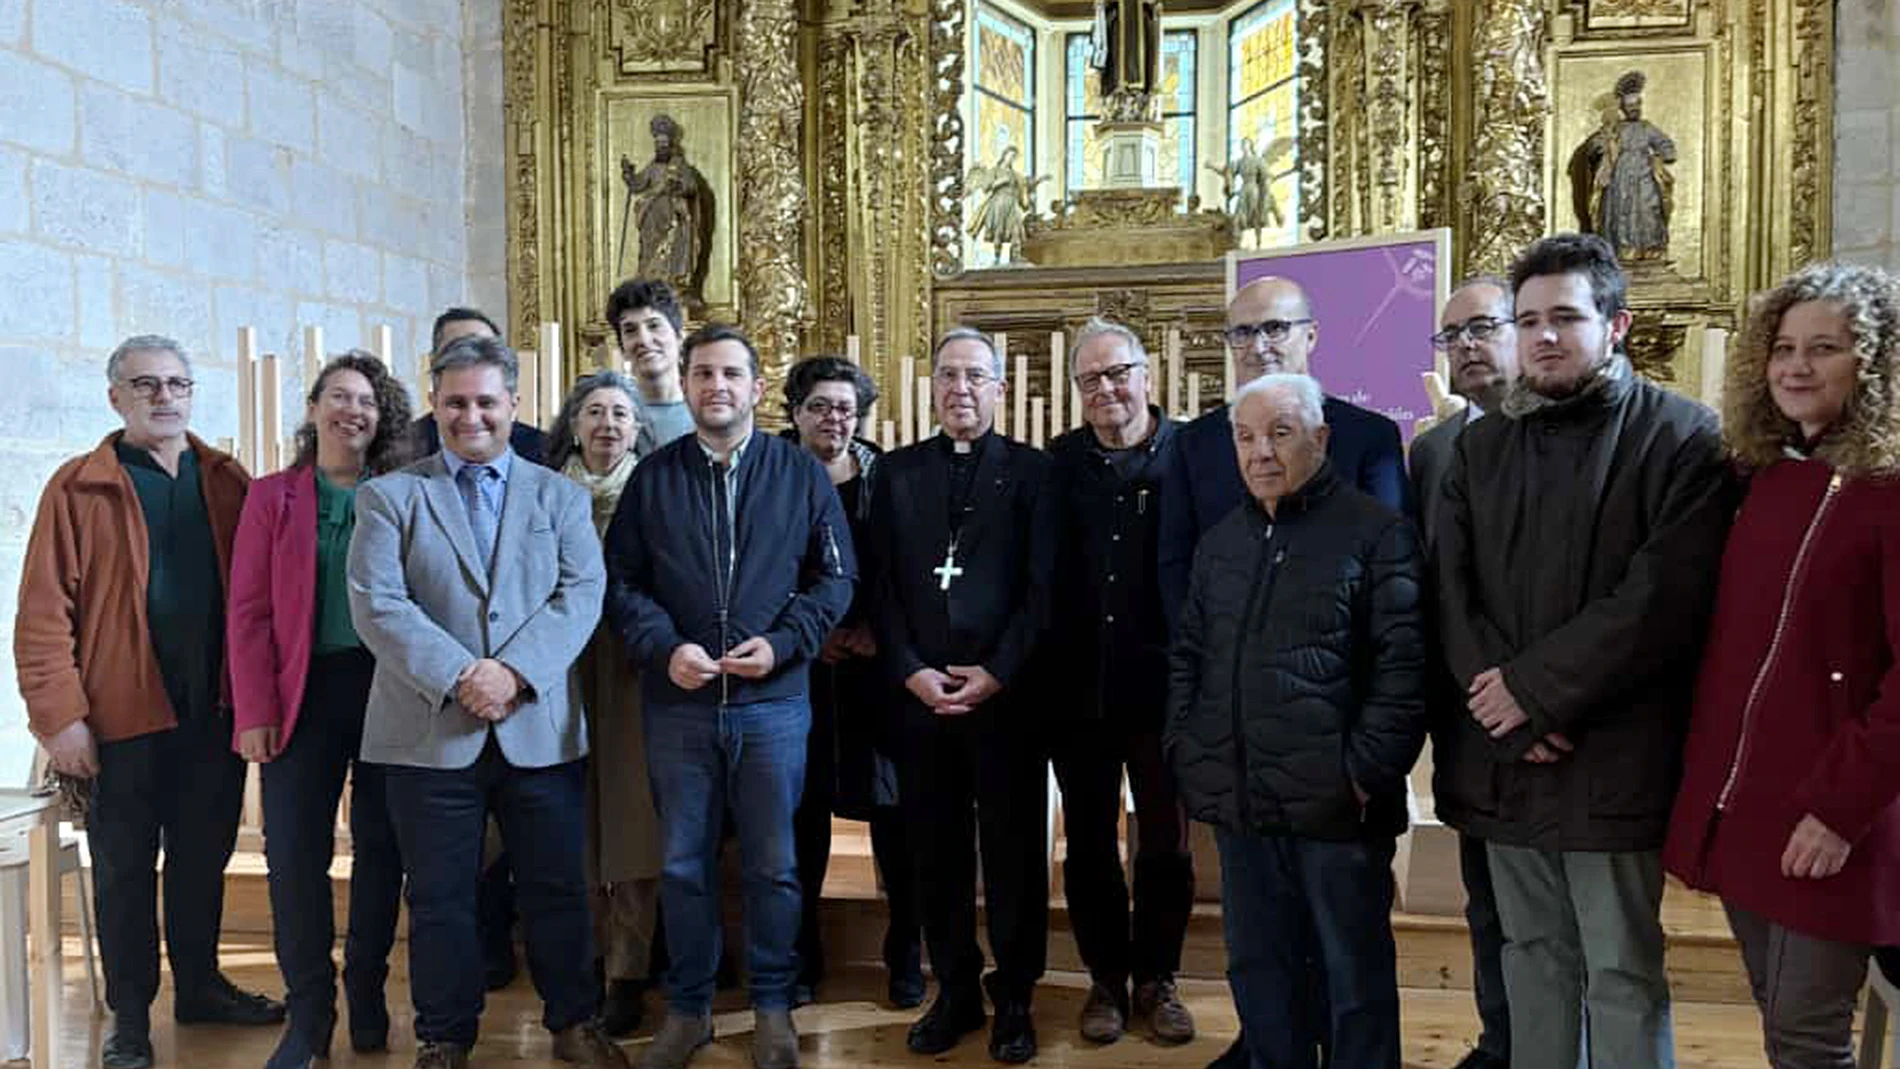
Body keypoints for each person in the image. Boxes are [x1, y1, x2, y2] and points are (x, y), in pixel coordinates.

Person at [1433, 233, 1734, 1069]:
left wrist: (1532, 691)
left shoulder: (1682, 437)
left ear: (1617, 323)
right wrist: (1502, 706)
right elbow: (1450, 589)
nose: (1545, 337)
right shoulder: (1481, 445)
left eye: (1566, 316)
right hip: (1508, 756)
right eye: (1529, 320)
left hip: (1614, 753)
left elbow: (1661, 599)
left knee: (1621, 968)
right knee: (1530, 957)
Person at [348, 335, 627, 1069]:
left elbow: (581, 593)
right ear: (435, 407)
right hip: (428, 727)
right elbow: (378, 603)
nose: (471, 416)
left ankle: (574, 1021)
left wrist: (514, 672)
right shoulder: (390, 497)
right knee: (439, 896)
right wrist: (463, 673)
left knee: (558, 888)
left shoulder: (559, 494)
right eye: (455, 402)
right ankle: (445, 1034)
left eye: (485, 402)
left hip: (537, 726)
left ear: (513, 405)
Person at [1156, 274, 1410, 1069]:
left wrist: (1363, 771)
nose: (1263, 450)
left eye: (1283, 433)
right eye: (1248, 438)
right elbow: (1189, 648)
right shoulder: (1226, 537)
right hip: (1239, 782)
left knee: (1351, 966)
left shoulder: (1373, 525)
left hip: (1334, 790)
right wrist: (1189, 748)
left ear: (1321, 437)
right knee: (1257, 959)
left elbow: (1400, 662)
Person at [15, 335, 282, 1069]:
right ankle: (129, 1015)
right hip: (120, 720)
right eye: (146, 386)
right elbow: (43, 616)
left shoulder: (230, 481)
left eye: (177, 384)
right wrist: (61, 718)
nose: (165, 397)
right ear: (116, 398)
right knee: (125, 870)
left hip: (213, 715)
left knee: (202, 859)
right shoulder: (78, 488)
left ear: (193, 393)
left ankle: (198, 986)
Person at [1664, 262, 1900, 1069]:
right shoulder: (1762, 478)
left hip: (1837, 815)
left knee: (1806, 1036)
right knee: (1780, 1019)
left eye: (1825, 348)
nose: (1796, 366)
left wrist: (1840, 810)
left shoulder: (1891, 488)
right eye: (1784, 348)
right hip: (1752, 805)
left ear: (1873, 362)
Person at [603, 324, 856, 1069]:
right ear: (686, 385)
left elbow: (835, 579)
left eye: (732, 374)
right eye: (704, 373)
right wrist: (662, 645)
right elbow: (621, 583)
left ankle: (774, 1004)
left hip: (773, 703)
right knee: (683, 864)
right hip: (679, 703)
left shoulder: (799, 473)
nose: (718, 386)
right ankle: (688, 1010)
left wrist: (783, 643)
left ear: (754, 386)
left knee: (774, 865)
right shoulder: (654, 478)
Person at [866, 327, 1055, 1065]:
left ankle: (1014, 995)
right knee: (932, 851)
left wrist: (997, 671)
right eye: (948, 375)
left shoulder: (1034, 474)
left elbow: (1044, 589)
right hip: (920, 698)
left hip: (1004, 700)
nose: (961, 389)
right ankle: (954, 987)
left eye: (977, 376)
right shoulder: (898, 473)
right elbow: (878, 586)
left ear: (1001, 390)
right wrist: (910, 668)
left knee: (1011, 853)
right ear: (932, 388)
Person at [229, 352, 413, 1069]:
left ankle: (366, 987)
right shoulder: (272, 496)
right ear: (312, 409)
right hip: (297, 695)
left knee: (381, 849)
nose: (352, 410)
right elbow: (248, 610)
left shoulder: (400, 493)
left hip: (385, 691)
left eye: (366, 400)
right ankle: (309, 1013)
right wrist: (254, 707)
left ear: (380, 416)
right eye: (338, 396)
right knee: (294, 857)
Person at [1045, 319, 1195, 1047]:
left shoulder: (1195, 454)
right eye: (1090, 379)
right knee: (1091, 846)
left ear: (1148, 375)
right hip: (1078, 689)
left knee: (1165, 841)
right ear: (1076, 391)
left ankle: (1157, 978)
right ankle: (1104, 977)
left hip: (1167, 687)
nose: (1106, 389)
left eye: (1118, 372)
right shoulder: (1058, 463)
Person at [779, 356, 925, 1011]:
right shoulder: (768, 473)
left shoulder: (887, 476)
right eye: (819, 406)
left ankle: (904, 957)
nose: (833, 418)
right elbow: (757, 566)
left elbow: (906, 568)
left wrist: (875, 634)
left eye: (844, 407)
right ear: (795, 412)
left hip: (877, 670)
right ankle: (801, 959)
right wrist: (813, 635)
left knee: (896, 821)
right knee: (801, 821)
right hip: (799, 671)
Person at [1159, 274, 1411, 624]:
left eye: (1275, 328)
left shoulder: (1370, 435)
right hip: (1224, 659)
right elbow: (1176, 563)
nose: (1258, 347)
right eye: (1243, 333)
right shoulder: (1193, 443)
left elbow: (1391, 561)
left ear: (1311, 335)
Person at [1408, 277, 1519, 1069]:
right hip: (1466, 715)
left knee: (1554, 916)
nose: (1469, 345)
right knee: (1485, 902)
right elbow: (1432, 584)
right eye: (1454, 335)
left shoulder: (1569, 433)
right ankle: (1499, 1038)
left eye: (1484, 326)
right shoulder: (1433, 449)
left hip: (1553, 710)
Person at [544, 370, 662, 1039]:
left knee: (632, 819)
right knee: (570, 816)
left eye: (621, 412)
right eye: (595, 410)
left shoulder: (657, 490)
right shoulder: (541, 490)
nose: (608, 424)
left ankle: (628, 971)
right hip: (557, 664)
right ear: (575, 423)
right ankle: (581, 960)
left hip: (632, 666)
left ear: (636, 427)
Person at [410, 307, 549, 465]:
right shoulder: (400, 446)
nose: (471, 418)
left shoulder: (544, 449)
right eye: (457, 349)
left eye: (485, 349)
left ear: (513, 404)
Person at [607, 279, 698, 454]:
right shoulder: (612, 414)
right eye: (630, 330)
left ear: (679, 337)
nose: (644, 339)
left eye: (654, 326)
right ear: (622, 348)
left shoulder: (705, 411)